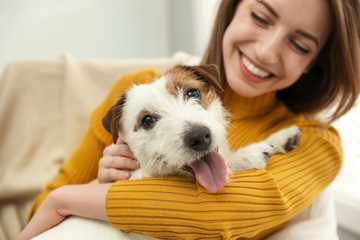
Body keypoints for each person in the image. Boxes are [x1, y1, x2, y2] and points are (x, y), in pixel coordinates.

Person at [20, 0, 360, 239]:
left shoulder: (314, 141)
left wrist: (68, 199)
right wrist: (98, 184)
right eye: (260, 16)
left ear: (315, 61)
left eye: (300, 45)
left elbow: (219, 215)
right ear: (233, 9)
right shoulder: (132, 99)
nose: (266, 52)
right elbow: (40, 218)